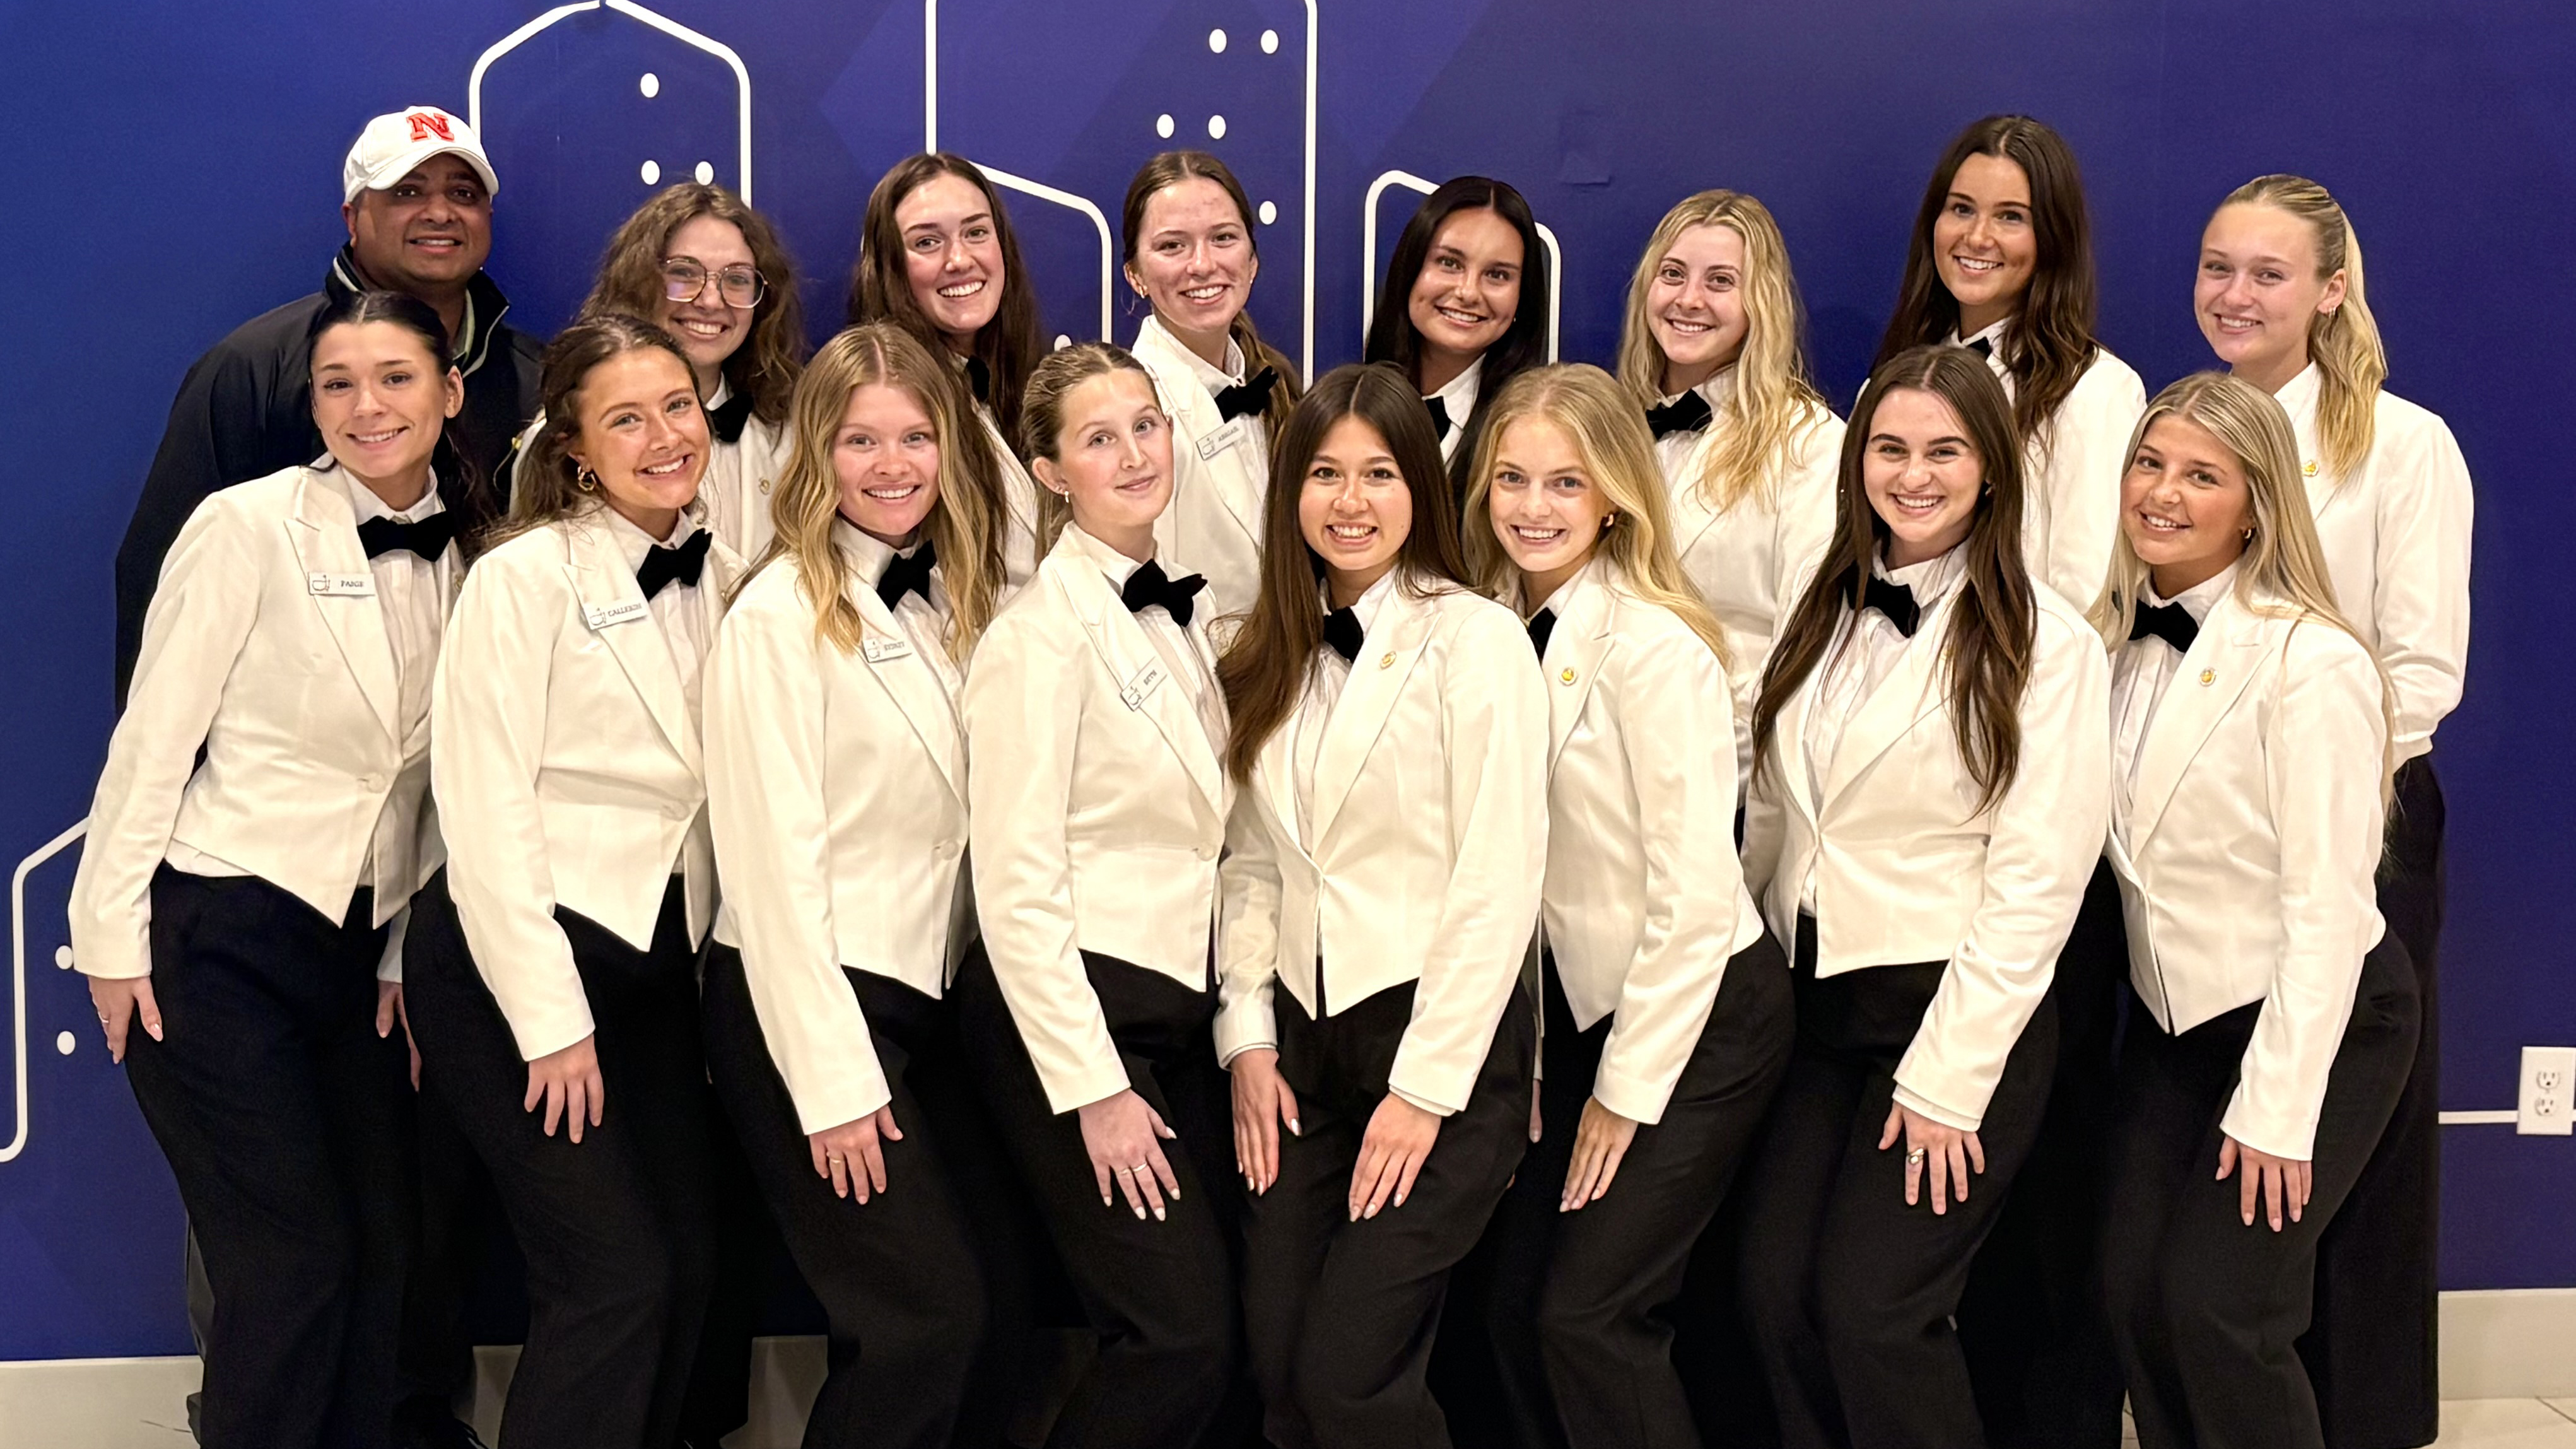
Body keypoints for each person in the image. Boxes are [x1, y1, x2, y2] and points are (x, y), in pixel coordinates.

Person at [69, 290, 477, 1449]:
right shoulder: (246, 525)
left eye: (395, 377)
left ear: (450, 394)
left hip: (355, 954)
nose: (366, 405)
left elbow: (438, 794)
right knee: (288, 1260)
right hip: (216, 934)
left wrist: (401, 951)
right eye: (338, 382)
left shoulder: (478, 559)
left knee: (381, 1255)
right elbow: (153, 738)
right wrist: (110, 937)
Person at [1731, 343, 2110, 1448]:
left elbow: (2037, 882)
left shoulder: (2049, 642)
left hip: (1947, 1011)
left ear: (1991, 467)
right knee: (1765, 1296)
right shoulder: (1825, 610)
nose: (1913, 474)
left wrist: (1950, 1080)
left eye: (1943, 451)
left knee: (1873, 1312)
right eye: (1889, 448)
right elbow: (1775, 818)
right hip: (1810, 1012)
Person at [402, 314, 743, 1449]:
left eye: (679, 407)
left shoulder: (732, 576)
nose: (664, 436)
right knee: (615, 1280)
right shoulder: (521, 578)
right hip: (522, 975)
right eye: (626, 418)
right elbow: (484, 814)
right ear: (575, 449)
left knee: (691, 1272)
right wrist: (549, 1024)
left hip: (652, 976)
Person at [700, 322, 1027, 1448]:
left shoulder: (965, 596)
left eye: (915, 436)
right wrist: (834, 1083)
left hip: (928, 1003)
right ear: (812, 457)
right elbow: (770, 873)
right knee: (921, 1318)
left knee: (999, 1306)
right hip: (810, 1007)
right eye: (859, 441)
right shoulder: (774, 618)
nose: (891, 466)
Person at [1461, 363, 1795, 1449]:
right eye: (1511, 477)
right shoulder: (1486, 631)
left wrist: (1620, 1092)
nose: (1532, 505)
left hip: (1695, 1019)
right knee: (1508, 1312)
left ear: (1614, 492)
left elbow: (1694, 899)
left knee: (1589, 1315)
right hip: (1580, 1016)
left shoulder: (1653, 647)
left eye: (1565, 481)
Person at [1216, 361, 1548, 1449]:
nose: (1348, 501)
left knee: (1349, 1378)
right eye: (1321, 473)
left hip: (1435, 1044)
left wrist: (1424, 1088)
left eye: (1376, 473)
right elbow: (1255, 863)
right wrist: (1247, 1038)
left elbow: (1497, 874)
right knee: (1276, 1369)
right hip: (1299, 1048)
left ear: (1420, 486)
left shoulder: (1477, 639)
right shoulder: (1266, 649)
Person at [1878, 117, 2146, 1443]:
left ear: (2051, 243)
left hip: (2027, 812)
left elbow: (2078, 609)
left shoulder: (2092, 393)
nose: (1976, 236)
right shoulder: (1913, 369)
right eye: (1959, 208)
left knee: (2035, 1175)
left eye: (2009, 216)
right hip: (1915, 832)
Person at [2194, 174, 2473, 1449]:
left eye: (2264, 271)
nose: (2233, 294)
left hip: (2358, 819)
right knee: (2233, 1127)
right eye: (2216, 267)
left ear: (2329, 288)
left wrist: (2307, 774)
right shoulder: (2185, 428)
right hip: (2204, 842)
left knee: (2353, 1149)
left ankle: (2355, 1418)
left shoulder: (2400, 442)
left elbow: (2422, 670)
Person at [2091, 372, 2418, 1449]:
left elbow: (2326, 909)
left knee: (2222, 1309)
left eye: (2199, 475)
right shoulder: (2107, 645)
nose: (2161, 493)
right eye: (2148, 463)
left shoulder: (2309, 661)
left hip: (2312, 1023)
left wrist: (2278, 1107)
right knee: (2132, 1295)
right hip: (2176, 1026)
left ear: (2256, 502)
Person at [956, 341, 1241, 1446]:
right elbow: (1014, 886)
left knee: (1228, 1337)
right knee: (1175, 1338)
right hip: (1075, 1022)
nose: (1131, 453)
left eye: (1145, 423)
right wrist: (1093, 1086)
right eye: (1095, 437)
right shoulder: (1035, 637)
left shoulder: (1180, 611)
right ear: (1045, 470)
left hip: (1176, 1015)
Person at [114, 105, 539, 709]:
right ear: (354, 217)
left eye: (463, 193)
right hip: (284, 772)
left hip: (476, 753)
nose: (440, 211)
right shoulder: (254, 368)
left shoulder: (538, 380)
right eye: (407, 190)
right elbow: (159, 586)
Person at [1615, 189, 1844, 784]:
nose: (1689, 299)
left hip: (1723, 769)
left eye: (1721, 281)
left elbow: (1806, 639)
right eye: (1673, 274)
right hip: (1595, 760)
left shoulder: (1810, 443)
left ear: (1759, 302)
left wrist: (1715, 770)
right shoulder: (1606, 424)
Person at [567, 182, 805, 562]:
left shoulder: (793, 437)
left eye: (737, 279)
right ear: (638, 280)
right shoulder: (570, 433)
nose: (711, 300)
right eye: (685, 273)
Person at [1120, 149, 1304, 629]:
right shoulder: (1125, 411)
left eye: (1223, 238)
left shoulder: (1281, 388)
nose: (1202, 265)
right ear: (1134, 274)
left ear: (1253, 260)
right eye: (1172, 246)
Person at [848, 153, 1044, 589]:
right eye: (926, 242)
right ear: (889, 266)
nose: (959, 259)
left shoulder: (1031, 382)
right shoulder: (872, 404)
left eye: (976, 233)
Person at [1365, 177, 1550, 493]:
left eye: (1497, 275)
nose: (1468, 292)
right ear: (1411, 269)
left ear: (1523, 296)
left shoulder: (1538, 431)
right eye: (1449, 263)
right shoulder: (1351, 406)